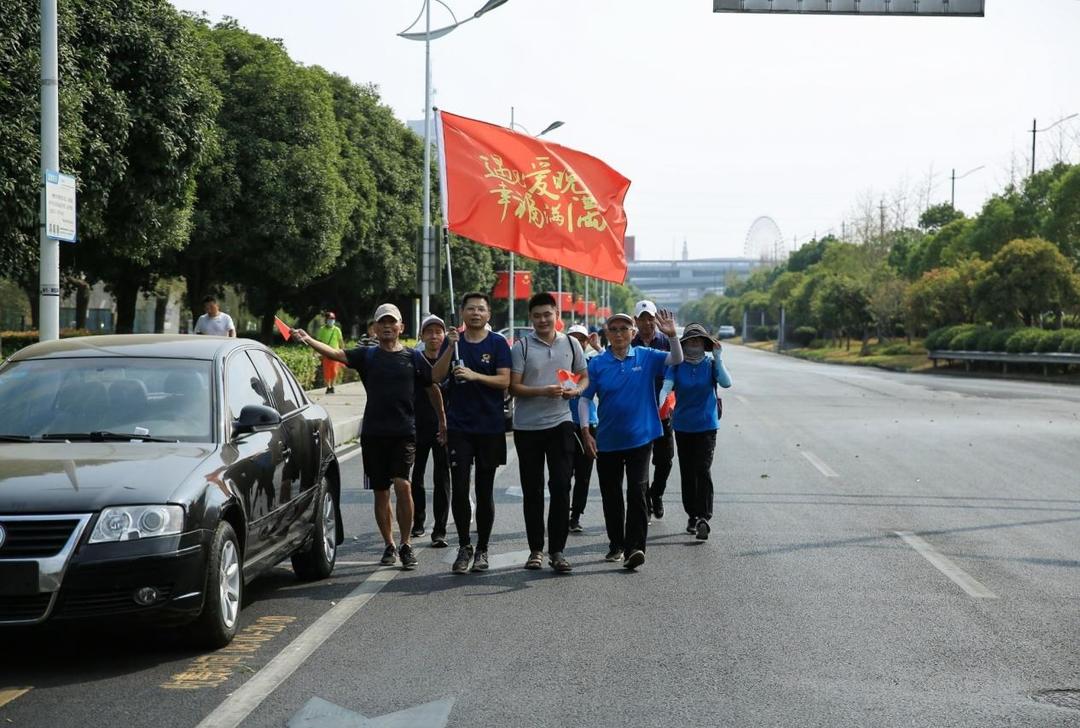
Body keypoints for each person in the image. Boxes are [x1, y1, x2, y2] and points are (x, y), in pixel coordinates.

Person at [293, 303, 446, 571]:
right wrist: (309, 340)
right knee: (381, 491)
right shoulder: (368, 356)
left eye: (392, 322)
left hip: (404, 433)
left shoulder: (412, 358)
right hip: (374, 434)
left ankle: (406, 543)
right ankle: (389, 544)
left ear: (401, 327)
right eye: (381, 323)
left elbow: (432, 387)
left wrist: (443, 421)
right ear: (374, 329)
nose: (387, 326)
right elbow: (337, 353)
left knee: (403, 485)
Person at [579, 309, 682, 570]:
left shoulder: (646, 356)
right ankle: (617, 543)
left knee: (637, 492)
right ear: (607, 334)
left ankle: (635, 548)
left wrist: (672, 336)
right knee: (611, 494)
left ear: (633, 333)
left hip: (641, 437)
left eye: (624, 329)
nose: (619, 334)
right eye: (613, 330)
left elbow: (675, 358)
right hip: (608, 439)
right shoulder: (598, 363)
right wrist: (585, 432)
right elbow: (584, 398)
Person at [432, 293, 512, 574]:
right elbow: (435, 376)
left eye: (481, 309)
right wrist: (449, 347)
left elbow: (505, 381)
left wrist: (475, 376)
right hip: (460, 427)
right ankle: (464, 546)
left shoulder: (498, 343)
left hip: (489, 427)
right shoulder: (453, 343)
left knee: (485, 489)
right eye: (470, 309)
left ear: (489, 314)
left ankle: (482, 549)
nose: (476, 313)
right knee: (461, 487)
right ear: (462, 313)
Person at [510, 293, 589, 572]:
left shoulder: (570, 343)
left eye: (547, 314)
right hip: (527, 427)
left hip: (561, 423)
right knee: (532, 490)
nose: (543, 320)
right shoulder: (522, 347)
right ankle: (535, 550)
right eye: (537, 315)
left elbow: (583, 374)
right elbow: (514, 387)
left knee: (560, 486)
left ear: (557, 315)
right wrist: (542, 391)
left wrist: (576, 390)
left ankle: (557, 551)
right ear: (531, 318)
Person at [658, 323, 733, 540]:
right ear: (684, 344)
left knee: (703, 469)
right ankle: (692, 514)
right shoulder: (677, 365)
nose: (694, 345)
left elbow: (727, 383)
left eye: (698, 341)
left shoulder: (710, 365)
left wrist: (719, 358)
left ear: (705, 344)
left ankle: (704, 517)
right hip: (682, 426)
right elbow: (665, 389)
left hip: (707, 427)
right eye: (690, 341)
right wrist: (657, 407)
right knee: (688, 472)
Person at [412, 314, 452, 547]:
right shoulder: (415, 359)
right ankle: (418, 521)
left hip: (445, 429)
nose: (434, 336)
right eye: (429, 331)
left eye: (438, 331)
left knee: (442, 478)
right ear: (422, 335)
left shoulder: (454, 359)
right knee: (416, 477)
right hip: (418, 425)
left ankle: (440, 529)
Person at [631, 300, 673, 520]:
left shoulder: (666, 341)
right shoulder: (630, 343)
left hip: (664, 410)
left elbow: (678, 365)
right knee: (641, 461)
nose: (647, 323)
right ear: (636, 320)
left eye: (650, 318)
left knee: (665, 460)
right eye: (642, 318)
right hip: (639, 412)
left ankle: (656, 494)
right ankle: (645, 499)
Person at [566, 324, 602, 533]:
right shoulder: (559, 364)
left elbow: (612, 362)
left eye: (582, 339)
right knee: (562, 474)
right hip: (563, 425)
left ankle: (575, 515)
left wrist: (597, 347)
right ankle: (561, 511)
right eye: (573, 338)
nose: (578, 343)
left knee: (584, 474)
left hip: (589, 424)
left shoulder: (592, 363)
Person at [315, 311, 344, 394]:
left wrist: (343, 351)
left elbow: (340, 341)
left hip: (335, 353)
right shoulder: (322, 329)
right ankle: (328, 387)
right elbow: (318, 341)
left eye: (333, 318)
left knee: (334, 371)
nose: (331, 320)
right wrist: (315, 352)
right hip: (326, 353)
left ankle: (332, 385)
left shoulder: (337, 330)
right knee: (327, 371)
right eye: (330, 319)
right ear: (326, 320)